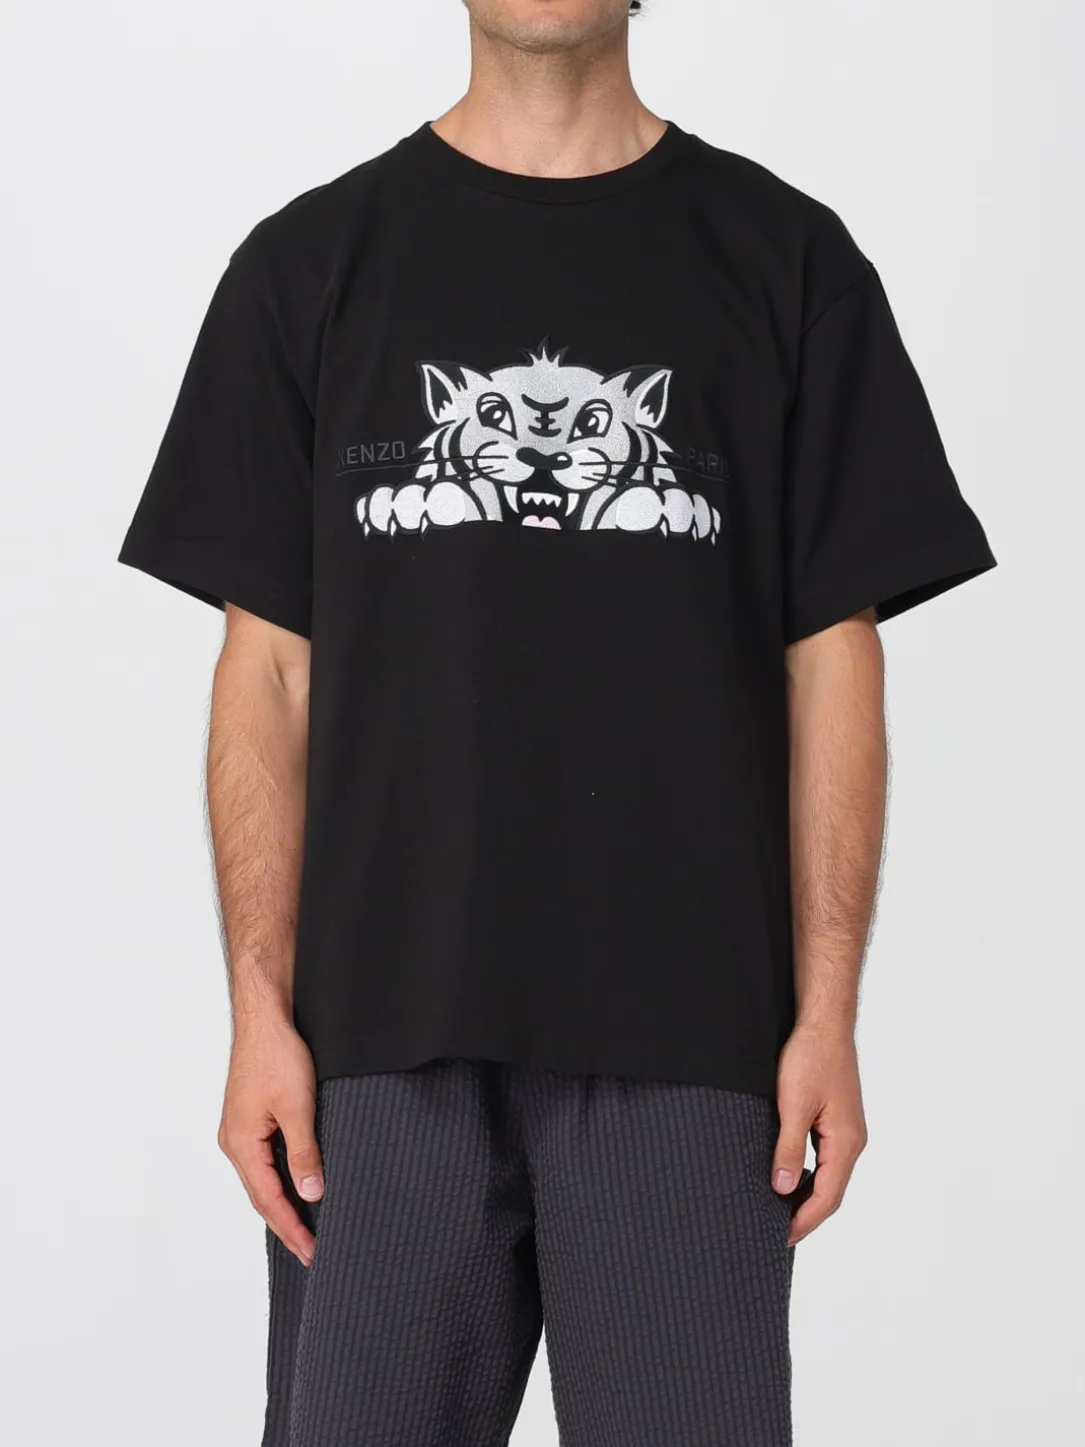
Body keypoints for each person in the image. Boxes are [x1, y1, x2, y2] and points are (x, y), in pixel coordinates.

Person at [118, 1, 996, 1442]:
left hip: (695, 1044)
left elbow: (833, 665)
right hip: (376, 1049)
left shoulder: (789, 262)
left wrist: (829, 1015)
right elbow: (267, 672)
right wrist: (259, 1012)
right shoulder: (310, 265)